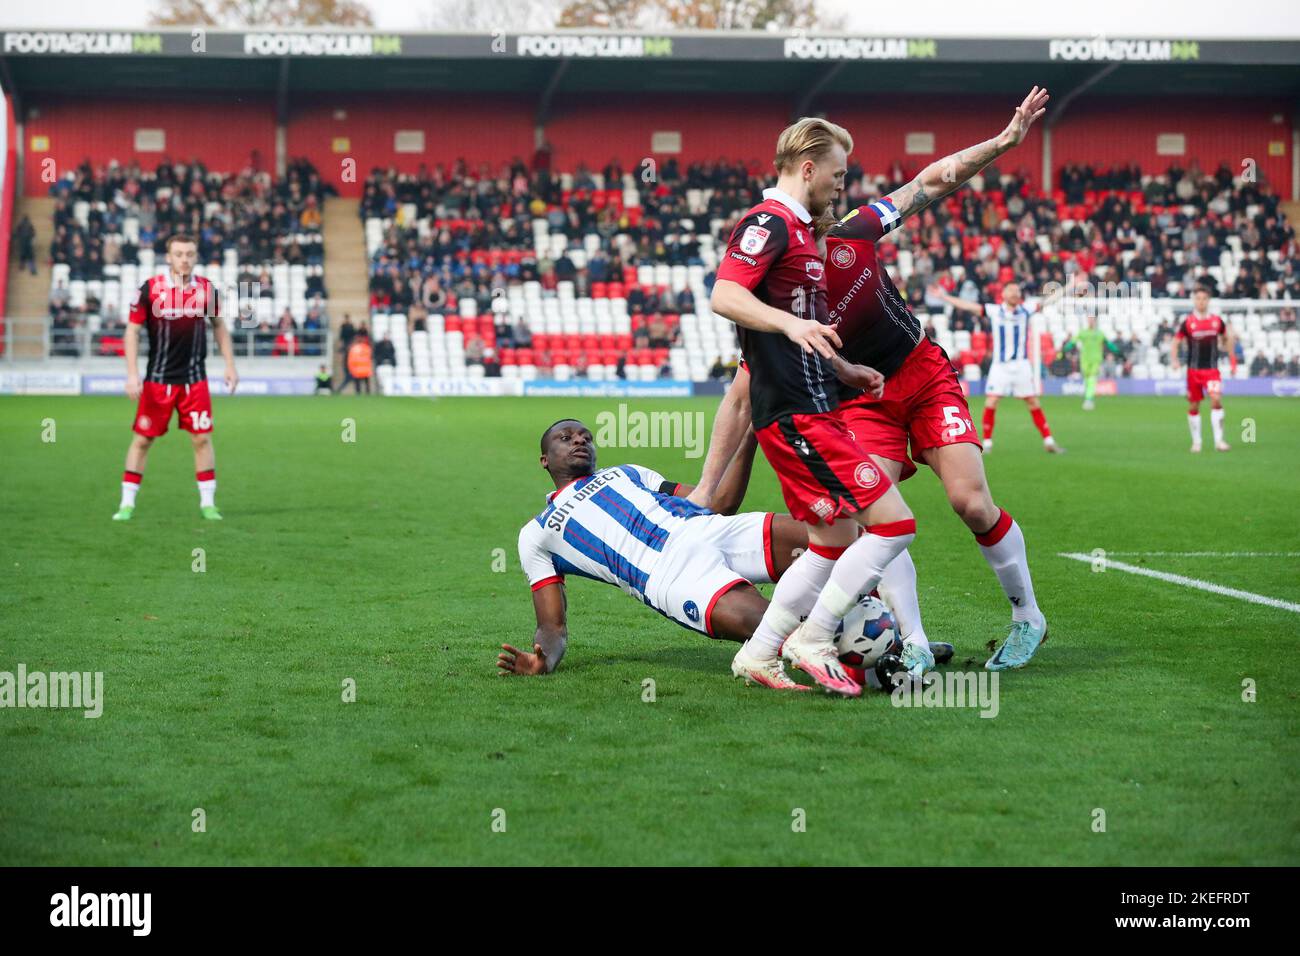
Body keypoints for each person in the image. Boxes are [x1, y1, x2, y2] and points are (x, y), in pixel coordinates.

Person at [692, 87, 1053, 675]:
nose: (843, 186)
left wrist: (1004, 140)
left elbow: (932, 182)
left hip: (921, 373)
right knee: (870, 517)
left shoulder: (855, 233)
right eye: (837, 175)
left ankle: (1026, 616)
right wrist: (708, 493)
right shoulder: (782, 280)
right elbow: (739, 395)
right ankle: (912, 640)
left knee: (970, 500)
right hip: (862, 401)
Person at [704, 116, 918, 697]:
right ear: (807, 168)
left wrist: (841, 366)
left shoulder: (804, 232)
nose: (841, 185)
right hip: (796, 415)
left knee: (831, 540)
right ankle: (816, 636)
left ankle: (759, 652)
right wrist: (792, 323)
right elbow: (725, 294)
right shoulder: (769, 222)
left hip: (814, 403)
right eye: (838, 173)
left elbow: (796, 329)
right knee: (894, 523)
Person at [498, 419, 951, 680]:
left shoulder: (629, 472)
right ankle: (879, 664)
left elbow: (715, 502)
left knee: (847, 532)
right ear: (544, 460)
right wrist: (543, 659)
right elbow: (551, 625)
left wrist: (750, 436)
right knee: (778, 626)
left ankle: (911, 642)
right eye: (566, 437)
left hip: (713, 529)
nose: (580, 440)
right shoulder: (536, 534)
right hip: (671, 575)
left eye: (585, 435)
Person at [114, 234, 238, 522]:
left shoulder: (207, 290)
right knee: (142, 440)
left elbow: (219, 326)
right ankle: (126, 504)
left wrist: (230, 364)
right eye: (179, 254)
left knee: (202, 439)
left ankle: (208, 504)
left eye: (190, 254)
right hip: (157, 382)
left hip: (195, 381)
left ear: (196, 257)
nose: (184, 259)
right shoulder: (150, 290)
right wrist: (132, 374)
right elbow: (131, 331)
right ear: (168, 257)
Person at [935, 282, 1063, 453]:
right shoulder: (995, 311)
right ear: (1003, 294)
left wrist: (1071, 285)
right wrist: (944, 297)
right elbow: (968, 305)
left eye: (1017, 291)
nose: (1015, 293)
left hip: (1021, 365)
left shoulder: (1026, 310)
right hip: (1000, 366)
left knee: (1032, 401)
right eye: (1011, 290)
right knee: (992, 401)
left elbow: (1049, 300)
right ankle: (987, 443)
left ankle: (1049, 441)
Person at [1170, 286, 1233, 452]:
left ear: (1208, 301)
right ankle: (1196, 442)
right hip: (1193, 372)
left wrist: (1229, 351)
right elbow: (1176, 342)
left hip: (1212, 371)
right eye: (1198, 298)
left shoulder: (1217, 321)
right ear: (1194, 300)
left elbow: (1227, 336)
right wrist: (1174, 360)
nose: (1201, 302)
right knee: (1194, 406)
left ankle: (1219, 441)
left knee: (1216, 399)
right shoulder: (1188, 322)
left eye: (1204, 299)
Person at [1063, 315, 1120, 410]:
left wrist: (1115, 349)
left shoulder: (1099, 333)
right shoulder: (1083, 332)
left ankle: (1088, 399)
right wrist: (1066, 348)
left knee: (1092, 379)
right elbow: (1073, 342)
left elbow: (1107, 343)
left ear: (1095, 321)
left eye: (1092, 319)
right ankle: (1088, 398)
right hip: (1085, 360)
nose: (1091, 321)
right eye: (1089, 319)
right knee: (1086, 380)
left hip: (1096, 360)